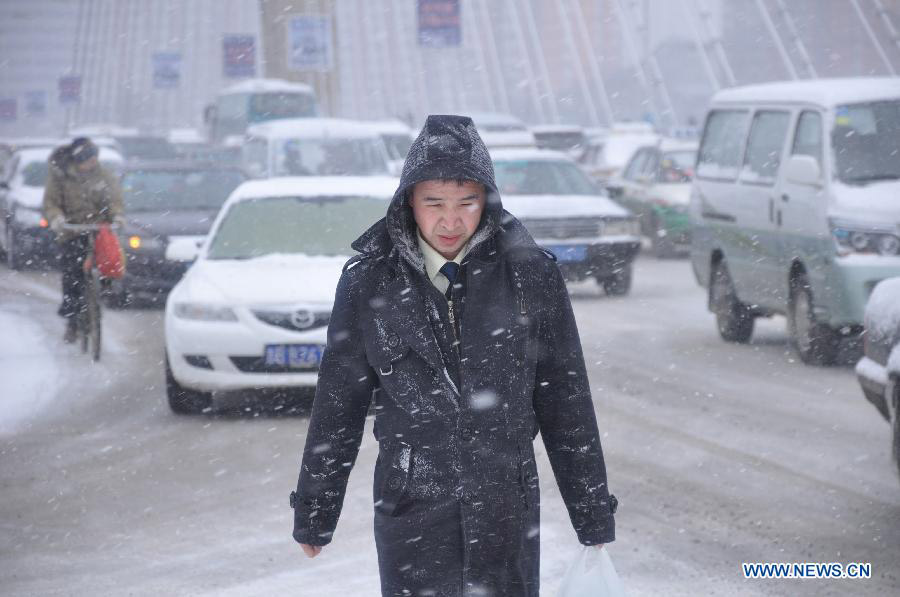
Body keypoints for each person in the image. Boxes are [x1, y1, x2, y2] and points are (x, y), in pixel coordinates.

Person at [290, 115, 617, 596]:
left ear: (487, 201)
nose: (451, 220)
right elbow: (340, 402)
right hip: (411, 505)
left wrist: (590, 513)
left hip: (506, 504)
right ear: (409, 205)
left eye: (467, 202)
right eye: (434, 203)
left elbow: (565, 399)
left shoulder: (530, 276)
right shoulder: (370, 281)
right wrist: (316, 510)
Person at [43, 137, 123, 342]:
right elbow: (51, 202)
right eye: (88, 161)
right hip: (72, 230)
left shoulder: (103, 176)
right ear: (77, 161)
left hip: (99, 229)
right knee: (72, 274)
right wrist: (57, 218)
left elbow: (115, 200)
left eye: (95, 160)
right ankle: (72, 321)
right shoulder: (61, 176)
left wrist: (116, 216)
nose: (92, 164)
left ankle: (103, 291)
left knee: (112, 260)